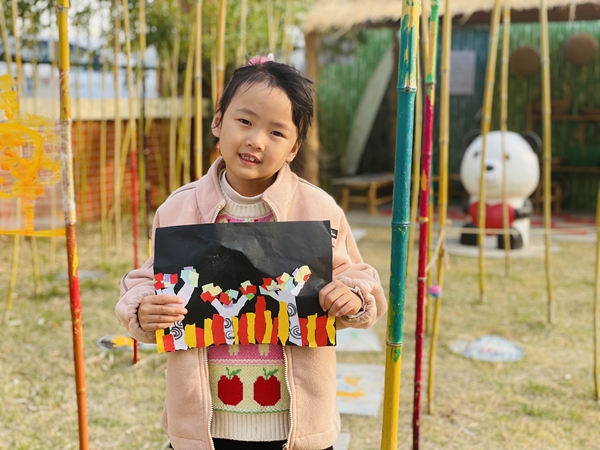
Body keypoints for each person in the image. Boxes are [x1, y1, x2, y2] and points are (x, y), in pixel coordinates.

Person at [115, 57, 387, 450]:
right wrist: (142, 308)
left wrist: (353, 297)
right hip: (204, 427)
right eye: (244, 121)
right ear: (217, 122)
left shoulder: (318, 209)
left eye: (276, 132)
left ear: (294, 147)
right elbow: (145, 279)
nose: (256, 140)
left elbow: (358, 276)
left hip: (295, 428)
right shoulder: (178, 210)